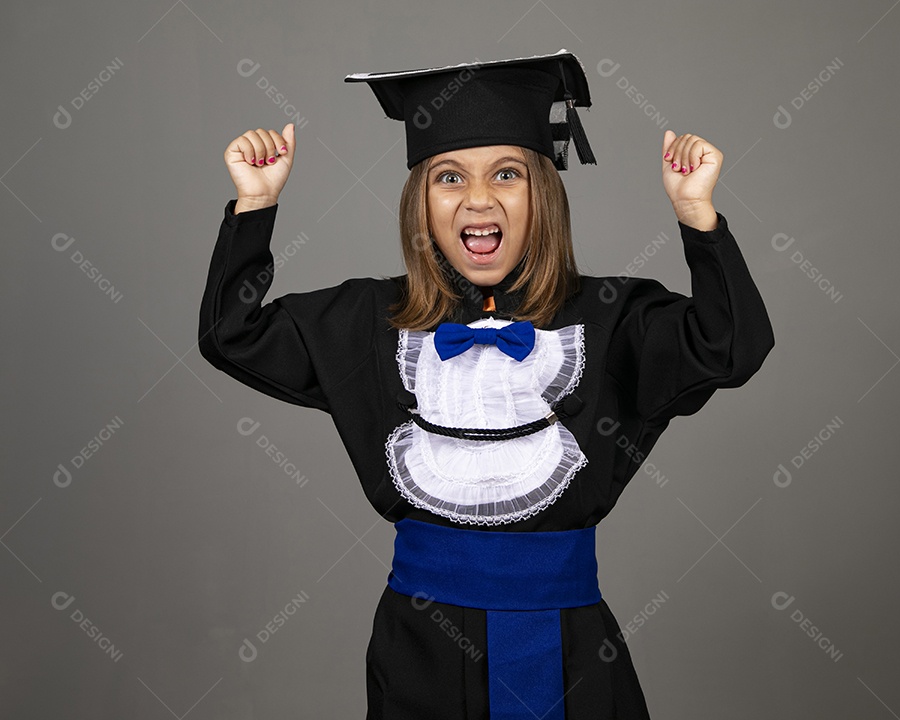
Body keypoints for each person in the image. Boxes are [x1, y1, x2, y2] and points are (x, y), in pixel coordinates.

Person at [199, 49, 774, 720]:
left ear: (543, 194)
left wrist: (698, 218)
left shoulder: (613, 317)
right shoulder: (369, 321)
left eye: (507, 174)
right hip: (418, 650)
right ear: (421, 203)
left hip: (568, 651)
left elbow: (730, 347)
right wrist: (256, 206)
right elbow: (231, 335)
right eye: (449, 177)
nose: (478, 198)